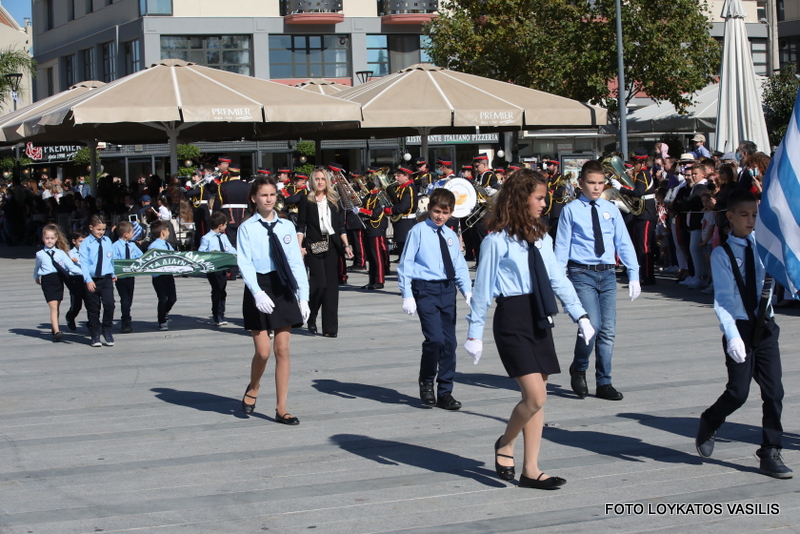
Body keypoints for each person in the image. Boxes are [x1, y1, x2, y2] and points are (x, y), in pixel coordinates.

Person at [465, 169, 594, 488]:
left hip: (540, 315)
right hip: (512, 317)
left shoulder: (542, 237)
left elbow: (557, 278)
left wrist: (580, 314)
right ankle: (505, 442)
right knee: (534, 397)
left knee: (539, 397)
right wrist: (474, 332)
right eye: (539, 198)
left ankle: (531, 469)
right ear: (521, 199)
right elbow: (482, 289)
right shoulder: (496, 240)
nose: (544, 203)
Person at [695, 190, 792, 479]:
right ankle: (710, 419)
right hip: (740, 327)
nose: (751, 221)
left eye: (755, 215)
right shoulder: (722, 254)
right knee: (738, 393)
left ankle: (770, 450)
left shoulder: (765, 247)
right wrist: (732, 335)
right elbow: (724, 300)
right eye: (744, 215)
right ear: (730, 217)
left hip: (766, 326)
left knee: (774, 392)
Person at [555, 160, 640, 401]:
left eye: (600, 183)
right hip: (582, 273)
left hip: (608, 273)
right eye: (591, 183)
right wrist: (558, 282)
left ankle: (604, 381)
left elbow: (623, 241)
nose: (596, 187)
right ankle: (579, 367)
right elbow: (562, 247)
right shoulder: (571, 210)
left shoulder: (610, 208)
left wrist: (633, 273)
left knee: (608, 330)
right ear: (581, 182)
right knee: (591, 325)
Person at [237, 175, 310, 424]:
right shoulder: (247, 227)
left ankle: (281, 408)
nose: (269, 199)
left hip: (283, 285)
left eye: (272, 194)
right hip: (259, 284)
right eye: (264, 195)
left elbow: (295, 262)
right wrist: (257, 292)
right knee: (263, 352)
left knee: (282, 349)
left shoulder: (286, 225)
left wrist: (303, 297)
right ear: (254, 198)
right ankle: (254, 386)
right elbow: (245, 262)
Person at [398, 188, 472, 410]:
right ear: (430, 209)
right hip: (426, 288)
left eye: (445, 212)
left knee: (450, 343)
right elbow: (406, 263)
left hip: (447, 289)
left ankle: (445, 391)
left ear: (451, 213)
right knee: (435, 339)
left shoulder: (450, 235)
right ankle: (427, 380)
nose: (440, 216)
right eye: (437, 211)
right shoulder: (418, 231)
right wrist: (407, 294)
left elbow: (459, 265)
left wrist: (467, 291)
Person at [296, 167, 354, 337]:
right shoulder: (306, 200)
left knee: (331, 289)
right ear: (312, 181)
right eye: (317, 179)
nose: (320, 182)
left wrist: (346, 245)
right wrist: (299, 247)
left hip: (332, 245)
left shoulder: (334, 200)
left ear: (327, 181)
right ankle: (311, 316)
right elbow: (301, 225)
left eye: (323, 179)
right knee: (319, 284)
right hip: (314, 245)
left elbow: (341, 226)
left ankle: (330, 329)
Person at [34, 224, 83, 342]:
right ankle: (56, 332)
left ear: (56, 239)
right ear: (43, 238)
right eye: (47, 238)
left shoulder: (60, 253)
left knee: (57, 305)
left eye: (52, 238)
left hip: (58, 280)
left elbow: (71, 267)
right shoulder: (40, 254)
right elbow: (37, 267)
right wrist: (36, 277)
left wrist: (85, 273)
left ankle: (54, 326)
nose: (49, 241)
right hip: (47, 280)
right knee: (53, 306)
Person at [80, 215, 117, 348]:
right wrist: (88, 280)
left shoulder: (107, 241)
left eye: (103, 229)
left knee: (109, 304)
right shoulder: (86, 243)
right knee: (93, 308)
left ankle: (107, 329)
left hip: (106, 278)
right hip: (92, 279)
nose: (101, 232)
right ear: (91, 228)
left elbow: (110, 259)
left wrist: (113, 272)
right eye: (98, 229)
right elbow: (84, 263)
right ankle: (95, 334)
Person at [199, 211, 237, 325]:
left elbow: (230, 249)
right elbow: (201, 252)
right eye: (225, 225)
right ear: (220, 225)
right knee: (217, 290)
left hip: (223, 267)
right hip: (213, 268)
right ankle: (216, 315)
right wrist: (210, 252)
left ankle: (221, 314)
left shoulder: (224, 237)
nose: (226, 227)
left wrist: (236, 254)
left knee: (222, 291)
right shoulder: (206, 238)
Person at [358, 181, 390, 290]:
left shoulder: (381, 197)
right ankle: (372, 281)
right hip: (368, 228)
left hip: (376, 228)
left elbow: (375, 213)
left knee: (377, 256)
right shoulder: (368, 196)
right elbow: (363, 208)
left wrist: (361, 210)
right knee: (371, 257)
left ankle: (379, 280)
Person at [112, 221, 143, 333]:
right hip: (121, 276)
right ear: (126, 234)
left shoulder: (132, 245)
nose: (133, 234)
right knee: (124, 299)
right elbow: (113, 261)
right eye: (132, 232)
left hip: (130, 276)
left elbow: (141, 257)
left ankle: (127, 315)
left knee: (129, 298)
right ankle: (126, 320)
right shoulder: (115, 246)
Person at [148, 220, 177, 331]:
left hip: (168, 275)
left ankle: (165, 312)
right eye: (168, 230)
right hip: (159, 276)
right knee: (162, 299)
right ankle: (162, 321)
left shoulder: (168, 245)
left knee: (172, 298)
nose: (169, 232)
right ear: (163, 232)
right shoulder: (153, 246)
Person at [388, 165, 417, 256]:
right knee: (401, 251)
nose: (396, 178)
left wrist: (389, 210)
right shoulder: (401, 188)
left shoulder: (409, 189)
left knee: (406, 252)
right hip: (401, 223)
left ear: (406, 176)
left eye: (398, 175)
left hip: (407, 223)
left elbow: (403, 207)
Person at [65, 229, 88, 332]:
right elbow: (65, 268)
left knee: (91, 303)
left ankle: (92, 323)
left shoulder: (89, 252)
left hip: (87, 279)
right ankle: (70, 316)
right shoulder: (70, 254)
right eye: (80, 241)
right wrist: (70, 261)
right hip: (76, 280)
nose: (83, 244)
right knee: (76, 305)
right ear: (74, 241)